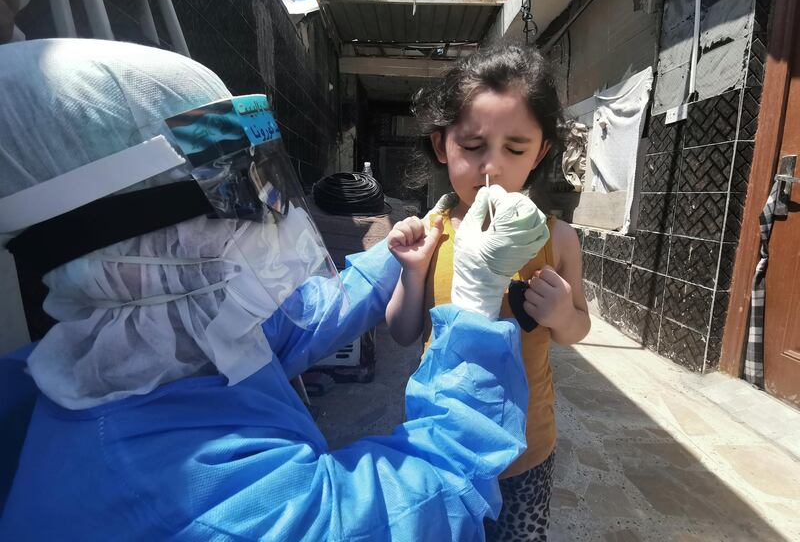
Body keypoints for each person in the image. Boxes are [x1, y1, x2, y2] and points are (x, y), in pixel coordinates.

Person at [0, 38, 547, 541]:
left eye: (267, 178)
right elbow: (432, 497)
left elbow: (309, 316)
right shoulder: (196, 502)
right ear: (120, 251)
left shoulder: (162, 336)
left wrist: (418, 235)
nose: (272, 215)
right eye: (241, 193)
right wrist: (474, 298)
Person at [386, 45, 591, 541]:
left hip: (526, 445)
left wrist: (563, 314)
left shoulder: (557, 238)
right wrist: (413, 275)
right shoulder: (432, 232)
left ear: (541, 152)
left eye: (514, 149)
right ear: (442, 145)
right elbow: (403, 331)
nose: (492, 168)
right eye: (473, 146)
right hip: (443, 438)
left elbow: (577, 327)